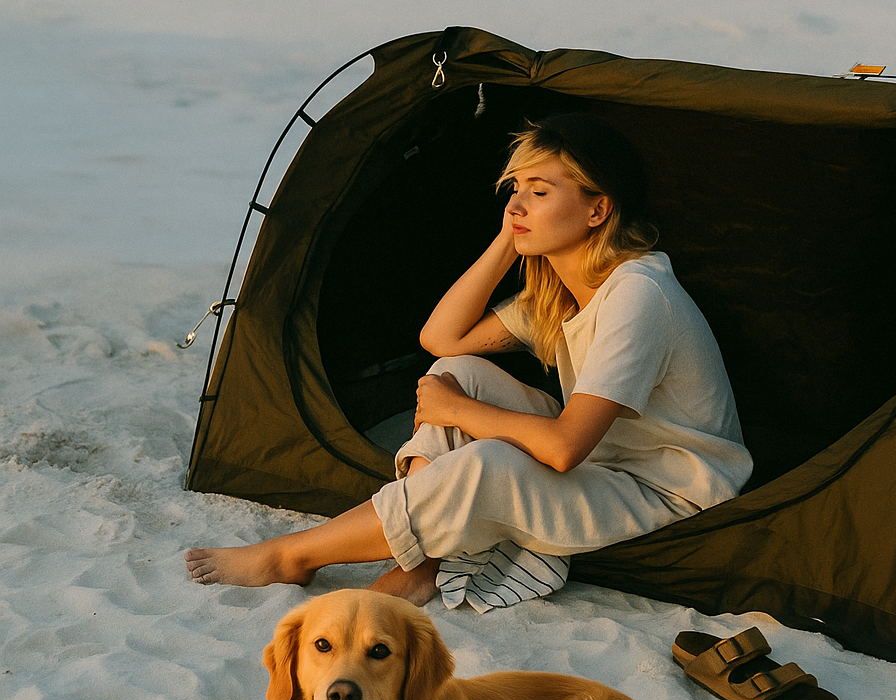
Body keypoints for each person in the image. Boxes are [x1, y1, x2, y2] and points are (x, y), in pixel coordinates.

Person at [185, 114, 752, 606]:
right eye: (515, 189)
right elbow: (441, 339)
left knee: (484, 458)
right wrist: (509, 241)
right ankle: (421, 563)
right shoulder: (560, 292)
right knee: (457, 375)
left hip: (666, 487)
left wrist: (459, 413)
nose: (516, 203)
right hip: (607, 459)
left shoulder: (637, 293)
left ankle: (292, 557)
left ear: (598, 209)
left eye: (539, 191)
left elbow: (562, 448)